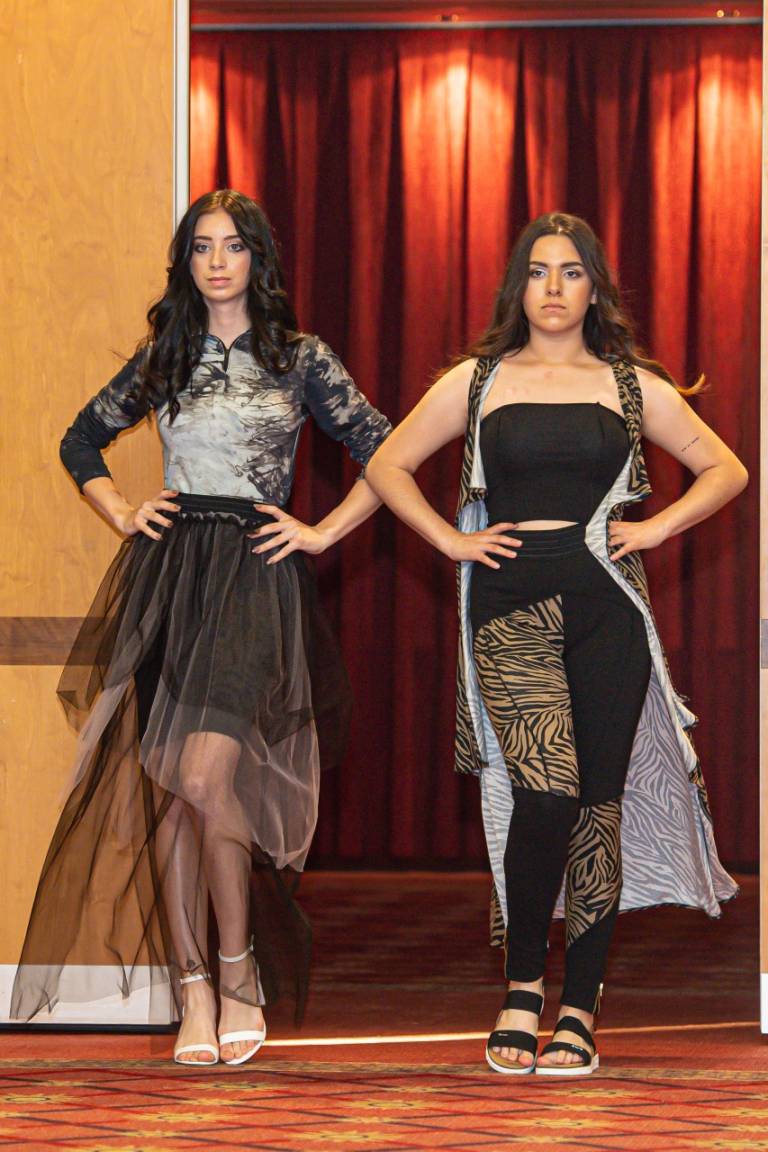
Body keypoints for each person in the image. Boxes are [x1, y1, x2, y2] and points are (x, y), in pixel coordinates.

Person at [11, 189, 391, 1067]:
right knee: (172, 789)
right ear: (186, 262)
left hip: (255, 577)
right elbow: (79, 441)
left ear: (259, 258)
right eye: (202, 247)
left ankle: (238, 966)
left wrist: (322, 531)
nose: (218, 262)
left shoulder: (299, 357)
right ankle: (194, 990)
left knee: (201, 773)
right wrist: (122, 512)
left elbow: (386, 447)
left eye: (234, 246)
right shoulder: (168, 354)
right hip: (172, 577)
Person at [366, 212, 746, 1077]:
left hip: (607, 608)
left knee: (596, 807)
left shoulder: (629, 385)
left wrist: (655, 529)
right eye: (538, 271)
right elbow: (387, 465)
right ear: (518, 285)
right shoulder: (477, 381)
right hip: (510, 606)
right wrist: (452, 541)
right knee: (544, 796)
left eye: (571, 272)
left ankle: (581, 1006)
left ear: (594, 289)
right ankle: (522, 988)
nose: (553, 288)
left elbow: (727, 469)